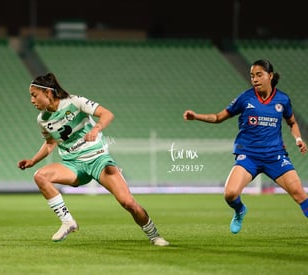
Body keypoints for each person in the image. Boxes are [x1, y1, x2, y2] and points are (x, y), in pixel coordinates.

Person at [17, 72, 169, 246]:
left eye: (34, 95)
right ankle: (68, 222)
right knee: (40, 175)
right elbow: (51, 143)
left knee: (128, 203)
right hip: (73, 165)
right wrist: (32, 161)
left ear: (49, 93)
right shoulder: (43, 120)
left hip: (98, 160)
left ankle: (154, 236)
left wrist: (96, 129)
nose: (32, 100)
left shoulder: (75, 102)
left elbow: (107, 114)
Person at [183, 59, 308, 234]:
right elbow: (219, 117)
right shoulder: (245, 98)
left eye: (259, 75)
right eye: (252, 76)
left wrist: (298, 139)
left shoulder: (282, 100)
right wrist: (196, 116)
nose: (255, 79)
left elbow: (292, 123)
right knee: (230, 194)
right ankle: (240, 210)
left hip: (275, 156)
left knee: (300, 194)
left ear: (270, 76)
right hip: (249, 156)